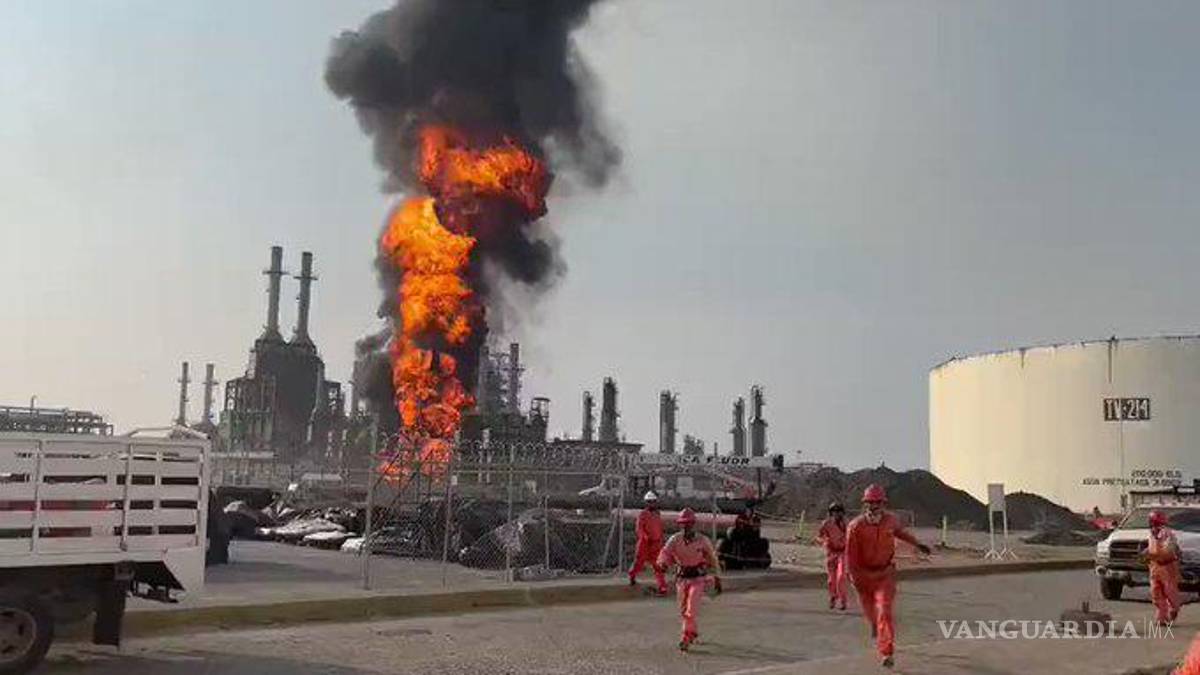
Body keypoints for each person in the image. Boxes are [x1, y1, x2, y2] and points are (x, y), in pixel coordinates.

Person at [846, 484, 931, 669]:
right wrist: (854, 578)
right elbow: (850, 556)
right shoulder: (855, 526)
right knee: (873, 615)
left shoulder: (891, 520)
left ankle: (887, 652)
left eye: (878, 502)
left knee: (884, 610)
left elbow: (901, 533)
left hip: (885, 573)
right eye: (870, 502)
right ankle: (875, 625)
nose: (874, 506)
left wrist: (917, 544)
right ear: (865, 504)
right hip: (863, 576)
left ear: (883, 503)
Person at [657, 508, 723, 651]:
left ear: (694, 524)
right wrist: (662, 563)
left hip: (697, 579)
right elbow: (665, 553)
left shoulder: (702, 540)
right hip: (681, 579)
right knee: (683, 610)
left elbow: (713, 560)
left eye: (689, 523)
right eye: (683, 524)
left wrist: (718, 578)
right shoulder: (675, 539)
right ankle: (692, 631)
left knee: (691, 609)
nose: (686, 526)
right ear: (680, 525)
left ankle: (686, 637)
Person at [1143, 509, 1182, 626]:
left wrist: (1151, 555)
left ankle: (1173, 609)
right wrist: (1145, 553)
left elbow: (1168, 550)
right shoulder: (1151, 534)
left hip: (1167, 566)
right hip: (1155, 566)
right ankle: (1162, 618)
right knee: (1156, 592)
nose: (1152, 524)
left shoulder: (1168, 534)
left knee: (1170, 591)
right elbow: (1151, 547)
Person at [628, 490, 668, 595]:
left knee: (658, 565)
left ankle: (662, 586)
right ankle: (632, 576)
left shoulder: (657, 514)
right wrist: (645, 537)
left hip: (656, 544)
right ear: (646, 503)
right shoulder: (643, 514)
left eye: (653, 501)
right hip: (645, 543)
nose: (652, 504)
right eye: (649, 502)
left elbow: (659, 529)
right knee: (638, 563)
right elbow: (639, 528)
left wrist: (661, 540)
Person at [817, 501, 848, 610]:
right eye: (834, 511)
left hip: (842, 553)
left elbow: (853, 538)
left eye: (838, 511)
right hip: (831, 553)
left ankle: (843, 600)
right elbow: (819, 536)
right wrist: (825, 541)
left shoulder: (846, 524)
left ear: (842, 512)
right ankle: (833, 597)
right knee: (831, 580)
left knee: (841, 577)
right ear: (831, 513)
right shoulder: (826, 524)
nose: (836, 513)